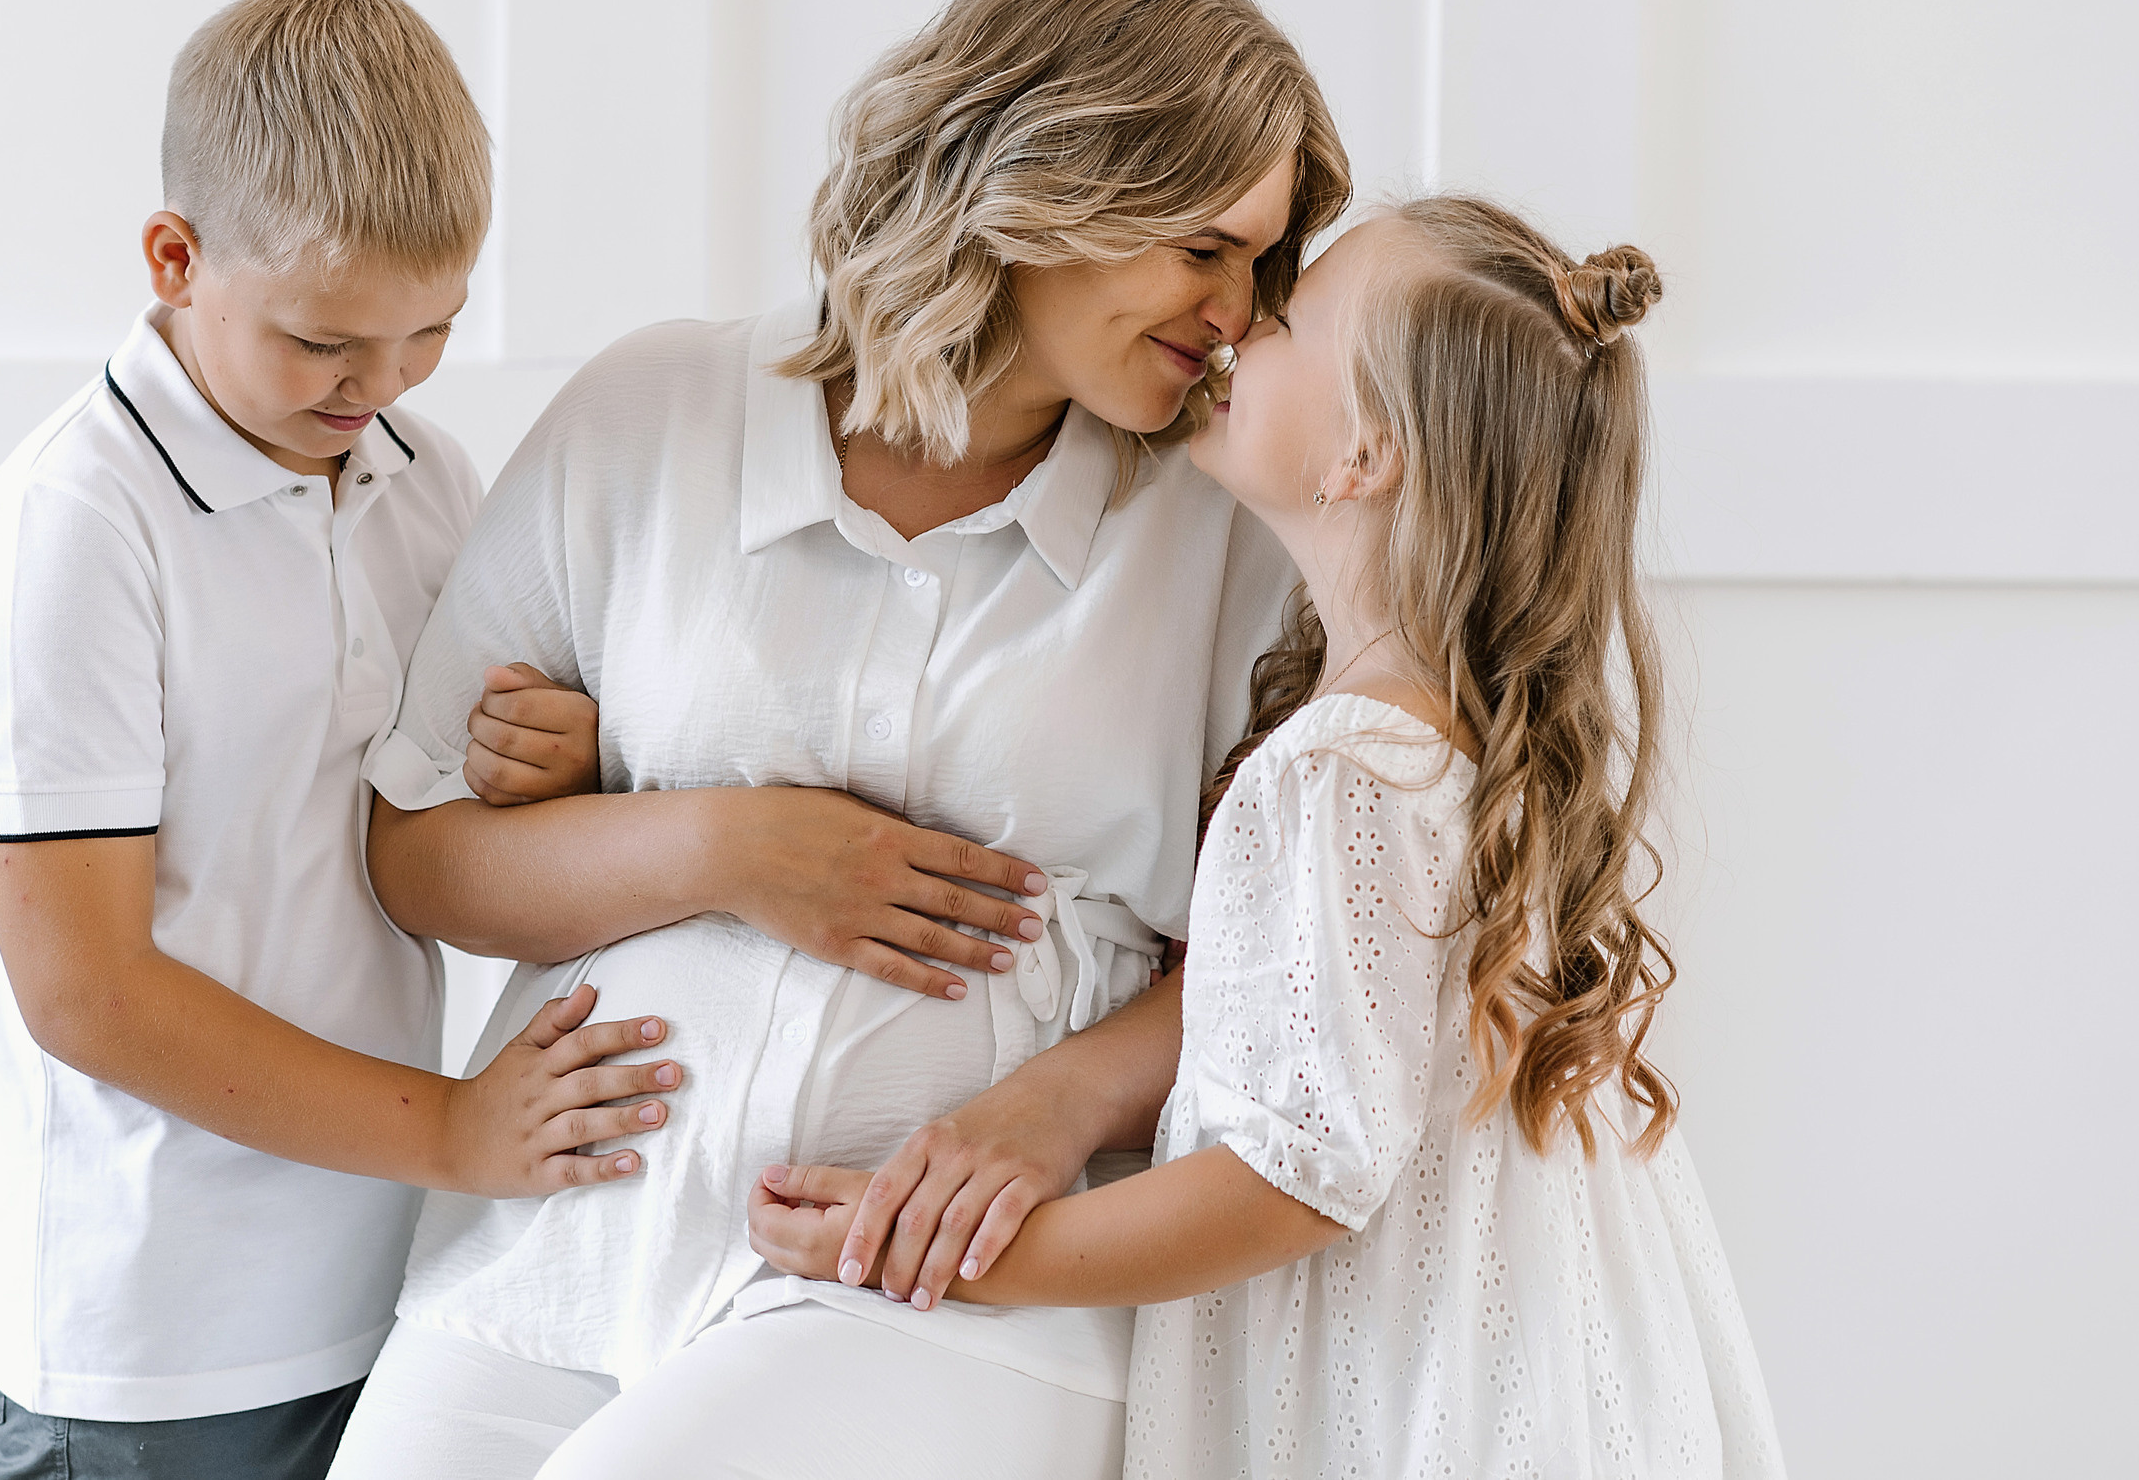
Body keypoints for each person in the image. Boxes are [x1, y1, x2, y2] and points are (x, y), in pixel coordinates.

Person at [325, 0, 1350, 1480]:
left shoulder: (1223, 529)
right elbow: (421, 850)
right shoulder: (653, 411)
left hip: (933, 1268)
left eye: (1260, 266)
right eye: (1204, 248)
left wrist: (1056, 1113)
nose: (1236, 312)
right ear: (1048, 184)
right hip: (564, 1241)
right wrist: (726, 843)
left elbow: (1296, 954)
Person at [754, 197, 1788, 1476]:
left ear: (1363, 452)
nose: (1240, 325)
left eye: (1288, 316)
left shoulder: (1337, 774)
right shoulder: (1448, 750)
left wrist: (963, 1257)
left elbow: (1291, 1177)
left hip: (1405, 1401)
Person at [0, 0, 684, 1480]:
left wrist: (552, 761)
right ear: (175, 258)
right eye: (328, 341)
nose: (383, 384)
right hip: (151, 1332)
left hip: (386, 1284)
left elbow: (425, 823)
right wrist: (459, 1132)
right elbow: (85, 989)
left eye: (430, 333)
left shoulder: (424, 472)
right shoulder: (74, 527)